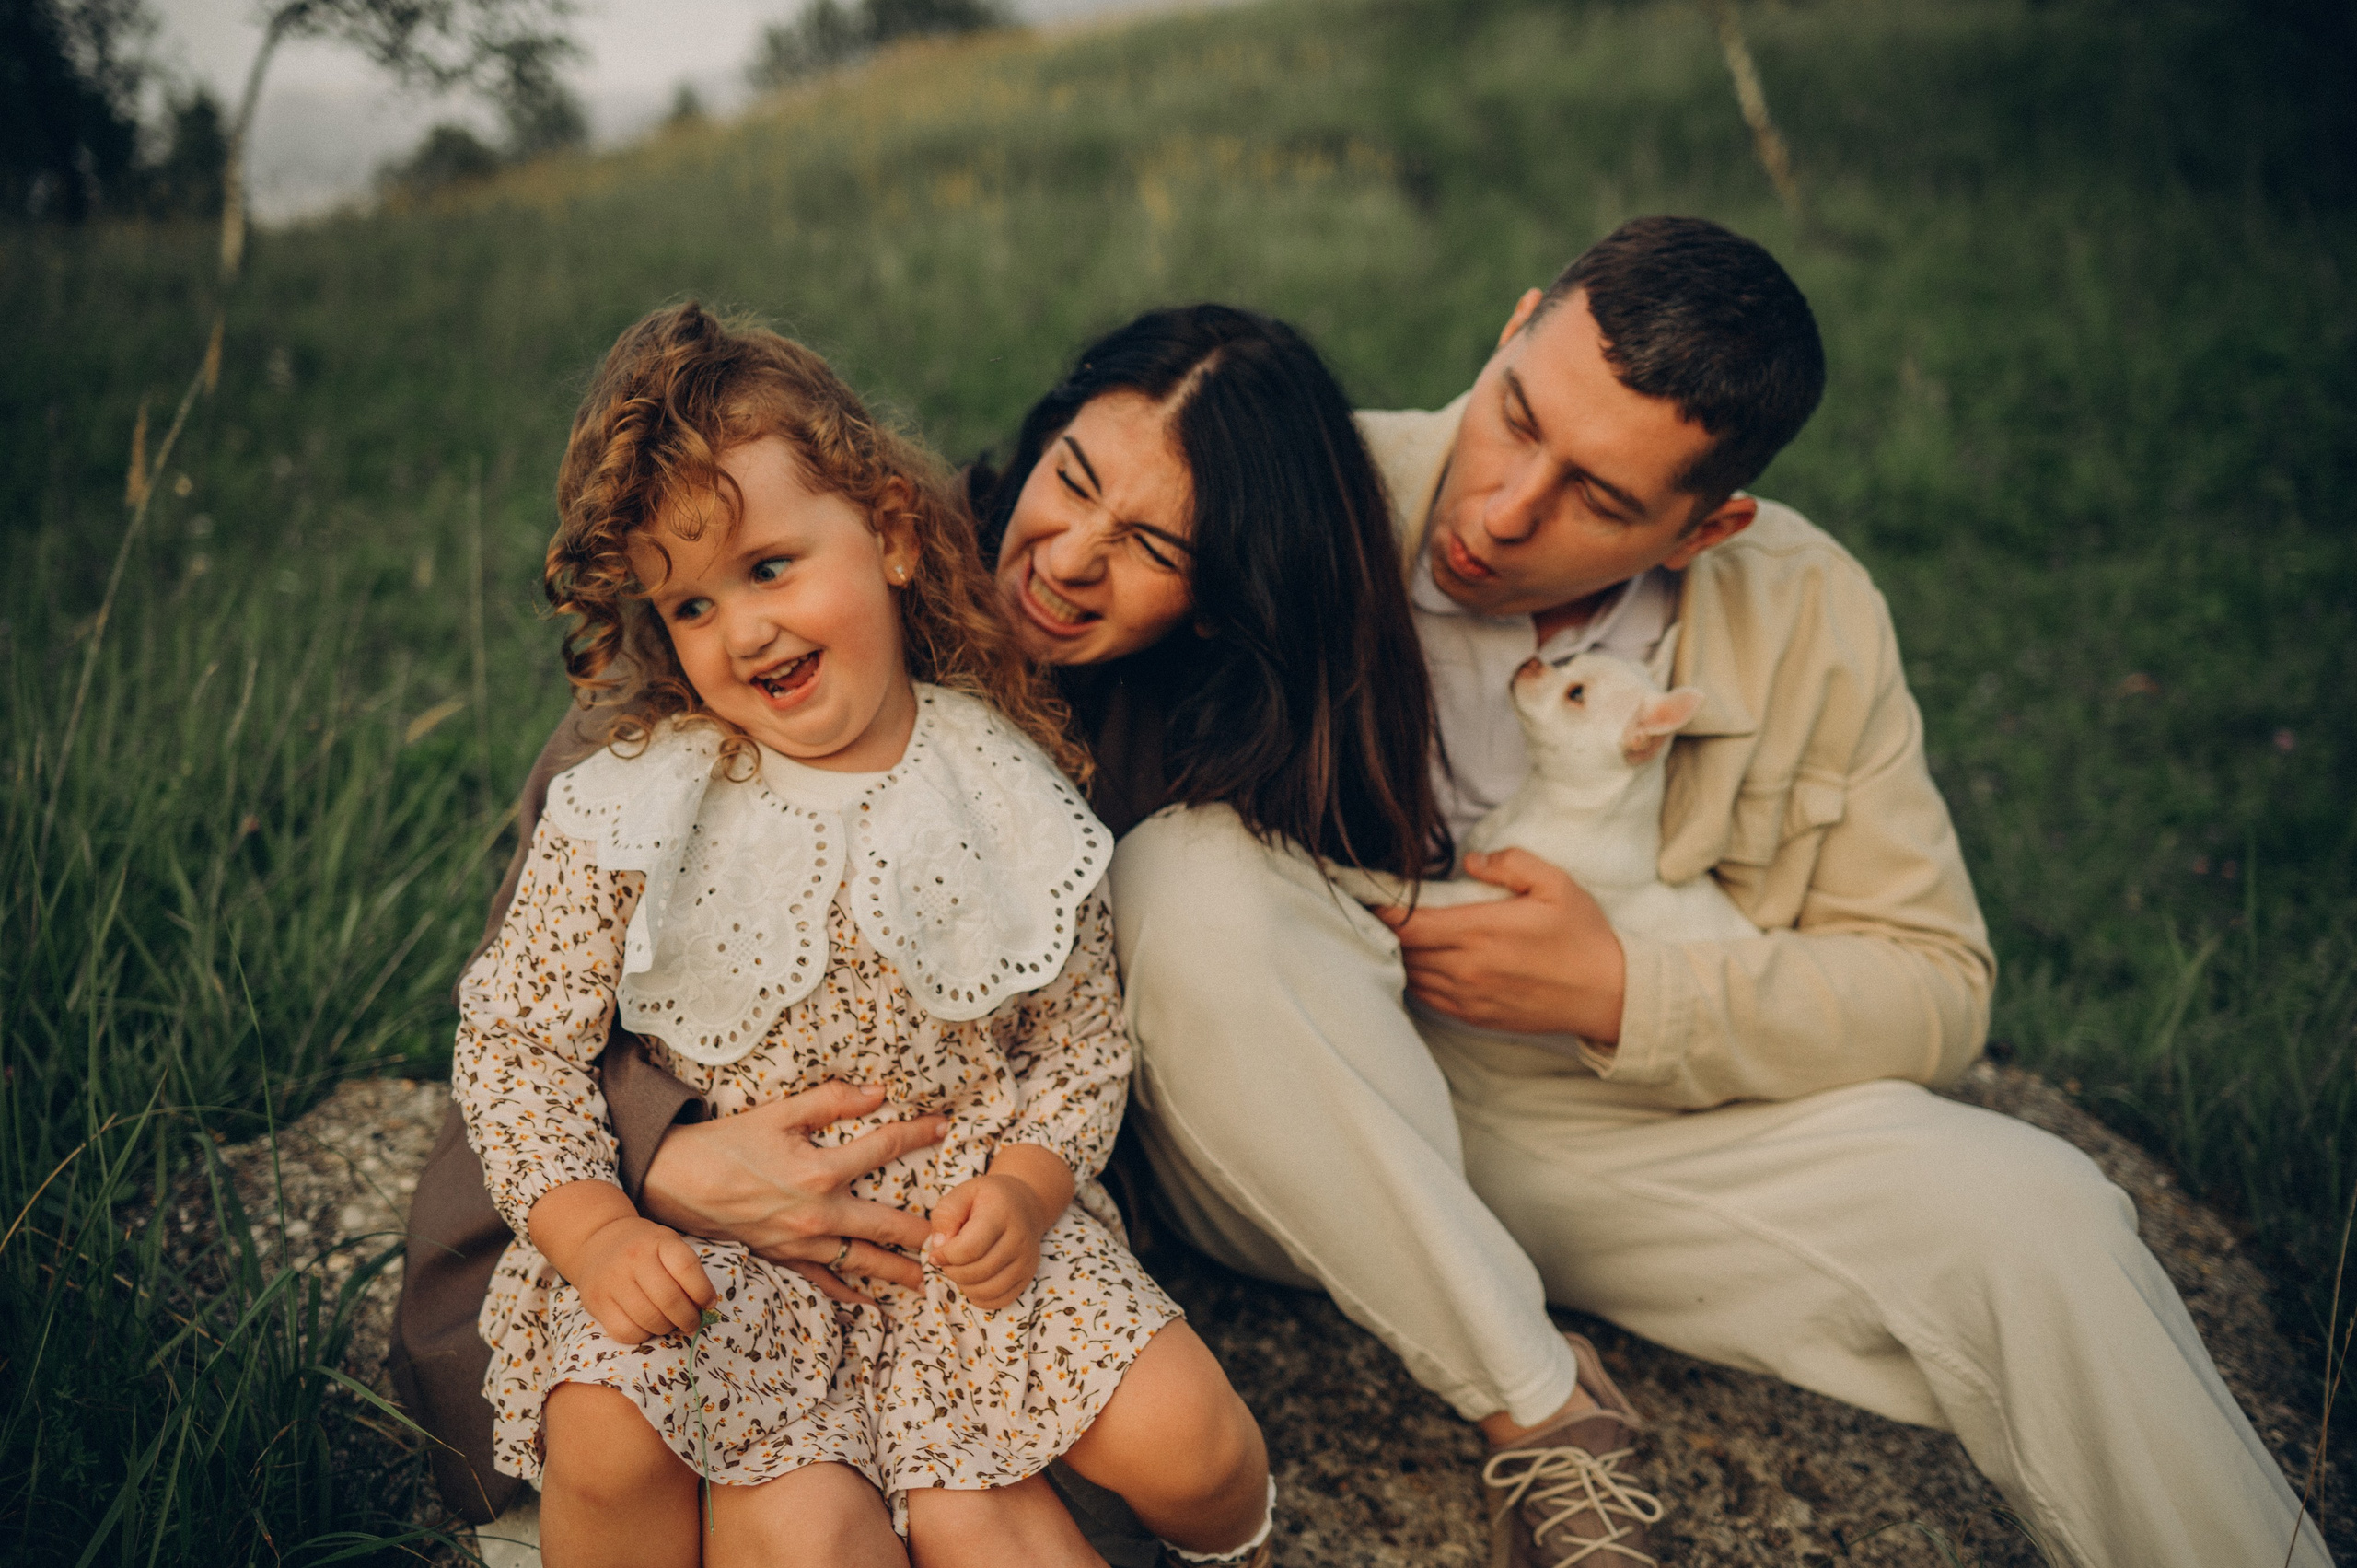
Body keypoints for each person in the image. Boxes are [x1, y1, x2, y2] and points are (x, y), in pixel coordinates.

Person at [1107, 217, 2331, 1568]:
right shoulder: (1300, 494)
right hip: (1297, 1107)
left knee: (2043, 1211)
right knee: (1187, 874)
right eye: (1515, 418)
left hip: (1612, 1134)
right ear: (1513, 327)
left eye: (1603, 500)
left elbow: (1935, 981)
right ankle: (1551, 1415)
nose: (1504, 510)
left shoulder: (1808, 605)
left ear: (1710, 525)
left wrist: (1634, 994)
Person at [448, 301, 1272, 1568]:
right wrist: (595, 1230)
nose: (744, 631)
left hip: (971, 1244)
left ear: (890, 533)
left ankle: (1221, 1541)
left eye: (770, 568)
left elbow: (1082, 1047)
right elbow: (517, 1040)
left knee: (1196, 1446)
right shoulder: (640, 795)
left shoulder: (1006, 779)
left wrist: (1028, 1186)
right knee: (628, 1437)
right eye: (691, 608)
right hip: (732, 1274)